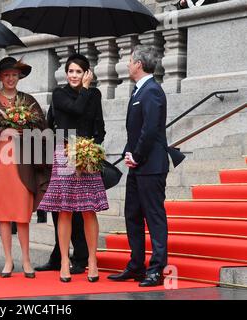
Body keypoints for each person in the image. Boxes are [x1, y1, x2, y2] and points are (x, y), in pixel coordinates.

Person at [0, 57, 50, 278]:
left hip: (22, 161)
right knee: (3, 213)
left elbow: (42, 126)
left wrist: (26, 130)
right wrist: (1, 131)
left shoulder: (28, 100)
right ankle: (7, 261)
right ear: (0, 77)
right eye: (7, 75)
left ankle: (26, 260)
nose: (11, 79)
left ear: (19, 77)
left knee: (22, 212)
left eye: (14, 75)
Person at [38, 54, 108, 283]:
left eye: (79, 71)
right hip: (64, 153)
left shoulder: (95, 94)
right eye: (71, 71)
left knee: (89, 210)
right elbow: (76, 110)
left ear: (86, 73)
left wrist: (92, 148)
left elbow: (99, 125)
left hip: (87, 156)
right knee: (65, 210)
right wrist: (86, 89)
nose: (74, 76)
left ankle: (92, 260)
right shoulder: (60, 93)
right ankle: (65, 262)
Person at [107, 45, 170, 287]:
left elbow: (151, 129)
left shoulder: (152, 90)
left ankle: (156, 269)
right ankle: (136, 266)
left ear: (139, 64)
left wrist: (137, 155)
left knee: (154, 217)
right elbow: (136, 129)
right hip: (137, 165)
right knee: (132, 214)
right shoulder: (139, 90)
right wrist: (128, 153)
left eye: (129, 60)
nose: (127, 63)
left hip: (150, 165)